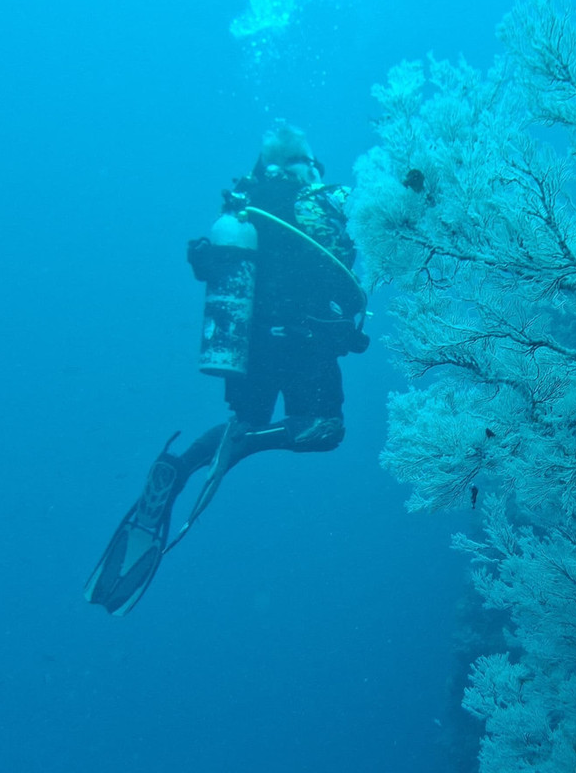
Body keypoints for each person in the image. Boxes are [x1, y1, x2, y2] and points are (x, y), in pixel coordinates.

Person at [85, 122, 369, 615]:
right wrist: (345, 329)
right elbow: (341, 277)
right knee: (325, 430)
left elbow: (213, 270)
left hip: (247, 350)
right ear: (308, 164)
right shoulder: (323, 202)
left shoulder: (243, 207)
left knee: (247, 420)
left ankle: (178, 469)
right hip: (305, 345)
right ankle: (243, 446)